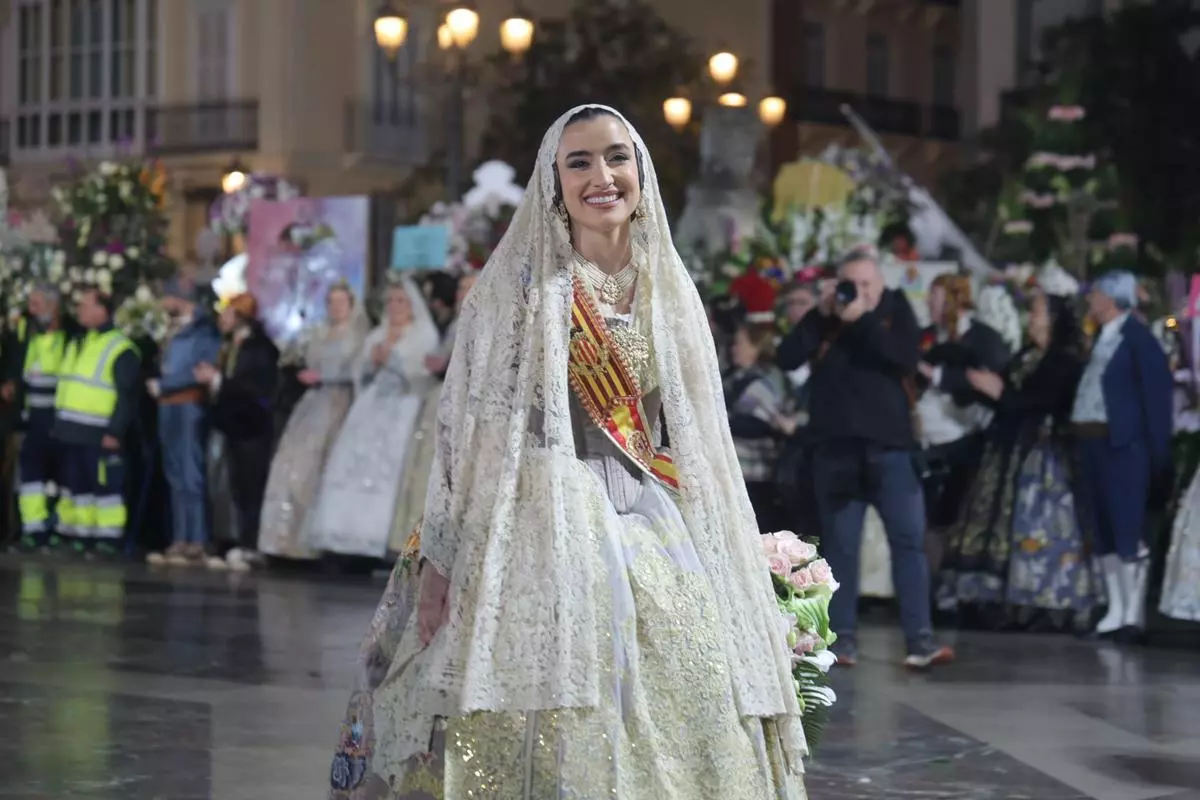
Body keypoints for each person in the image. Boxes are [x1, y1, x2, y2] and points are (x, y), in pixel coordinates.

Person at [327, 105, 806, 799]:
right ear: (552, 183)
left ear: (639, 169)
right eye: (577, 162)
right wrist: (445, 556)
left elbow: (695, 437)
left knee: (690, 672)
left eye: (616, 157)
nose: (601, 176)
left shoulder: (668, 291)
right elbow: (471, 428)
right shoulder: (517, 290)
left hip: (646, 515)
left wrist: (729, 549)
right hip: (534, 520)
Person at [777, 246, 953, 669]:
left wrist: (864, 318)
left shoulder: (894, 313)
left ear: (881, 285)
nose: (860, 292)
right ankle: (842, 642)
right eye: (851, 284)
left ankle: (920, 642)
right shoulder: (825, 321)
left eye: (868, 284)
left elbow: (905, 358)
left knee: (908, 544)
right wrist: (821, 314)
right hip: (836, 454)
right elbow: (787, 357)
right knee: (840, 550)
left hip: (891, 452)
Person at [938, 281, 1096, 630]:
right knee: (990, 520)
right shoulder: (1026, 355)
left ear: (1054, 319)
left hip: (1040, 452)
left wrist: (1000, 392)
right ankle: (989, 599)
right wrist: (987, 389)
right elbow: (1010, 393)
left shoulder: (1063, 360)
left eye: (1038, 312)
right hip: (1005, 446)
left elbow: (1044, 401)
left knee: (1038, 524)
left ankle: (1044, 601)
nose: (1032, 319)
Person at [304, 278, 439, 559]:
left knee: (390, 469)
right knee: (354, 465)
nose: (395, 306)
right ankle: (347, 539)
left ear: (413, 306)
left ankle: (383, 540)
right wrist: (371, 362)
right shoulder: (377, 334)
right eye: (391, 301)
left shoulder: (422, 334)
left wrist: (394, 359)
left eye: (401, 301)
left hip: (404, 406)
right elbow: (359, 371)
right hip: (372, 404)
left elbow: (422, 372)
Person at [1071, 271, 1173, 639]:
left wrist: (1158, 454)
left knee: (1126, 525)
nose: (1090, 301)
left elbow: (1156, 400)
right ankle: (1115, 607)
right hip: (1094, 442)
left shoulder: (1138, 341)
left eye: (1096, 294)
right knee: (1104, 527)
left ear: (1112, 298)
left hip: (1124, 447)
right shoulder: (1102, 339)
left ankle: (1132, 612)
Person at [258, 281, 369, 561]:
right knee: (294, 464)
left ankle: (317, 543)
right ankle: (285, 541)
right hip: (314, 403)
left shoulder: (359, 335)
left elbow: (358, 371)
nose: (335, 307)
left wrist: (326, 376)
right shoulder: (319, 333)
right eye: (331, 302)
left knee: (324, 466)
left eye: (341, 302)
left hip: (340, 402)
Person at [915, 274, 1011, 547]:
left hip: (967, 437)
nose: (928, 304)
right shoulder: (927, 336)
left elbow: (993, 386)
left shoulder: (983, 338)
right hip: (928, 437)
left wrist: (939, 375)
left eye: (933, 298)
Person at [194, 293, 280, 571]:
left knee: (250, 486)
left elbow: (254, 389)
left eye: (228, 314)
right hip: (231, 424)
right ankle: (231, 541)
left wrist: (218, 380)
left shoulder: (260, 348)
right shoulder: (230, 346)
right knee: (232, 487)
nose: (222, 320)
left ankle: (251, 544)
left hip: (251, 427)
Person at [52, 287, 140, 556]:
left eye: (86, 305)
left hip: (98, 430)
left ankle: (107, 537)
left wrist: (115, 430)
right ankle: (77, 533)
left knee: (103, 488)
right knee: (74, 486)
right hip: (70, 428)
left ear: (103, 310)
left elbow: (127, 396)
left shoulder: (120, 348)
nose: (80, 310)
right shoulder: (80, 341)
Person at [145, 280, 222, 567]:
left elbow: (201, 370)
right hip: (168, 406)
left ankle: (197, 538)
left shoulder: (204, 332)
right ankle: (180, 537)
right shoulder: (174, 330)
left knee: (191, 472)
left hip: (188, 405)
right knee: (174, 472)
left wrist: (166, 384)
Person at [13, 285, 69, 552]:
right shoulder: (33, 338)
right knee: (31, 477)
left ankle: (58, 529)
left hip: (58, 418)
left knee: (60, 477)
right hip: (34, 418)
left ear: (53, 307)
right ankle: (32, 529)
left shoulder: (67, 340)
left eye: (36, 304)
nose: (31, 310)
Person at [725, 321, 795, 533]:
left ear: (756, 348)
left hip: (756, 471)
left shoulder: (759, 382)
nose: (734, 349)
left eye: (740, 343)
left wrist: (726, 423)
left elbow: (765, 423)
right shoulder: (737, 377)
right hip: (745, 471)